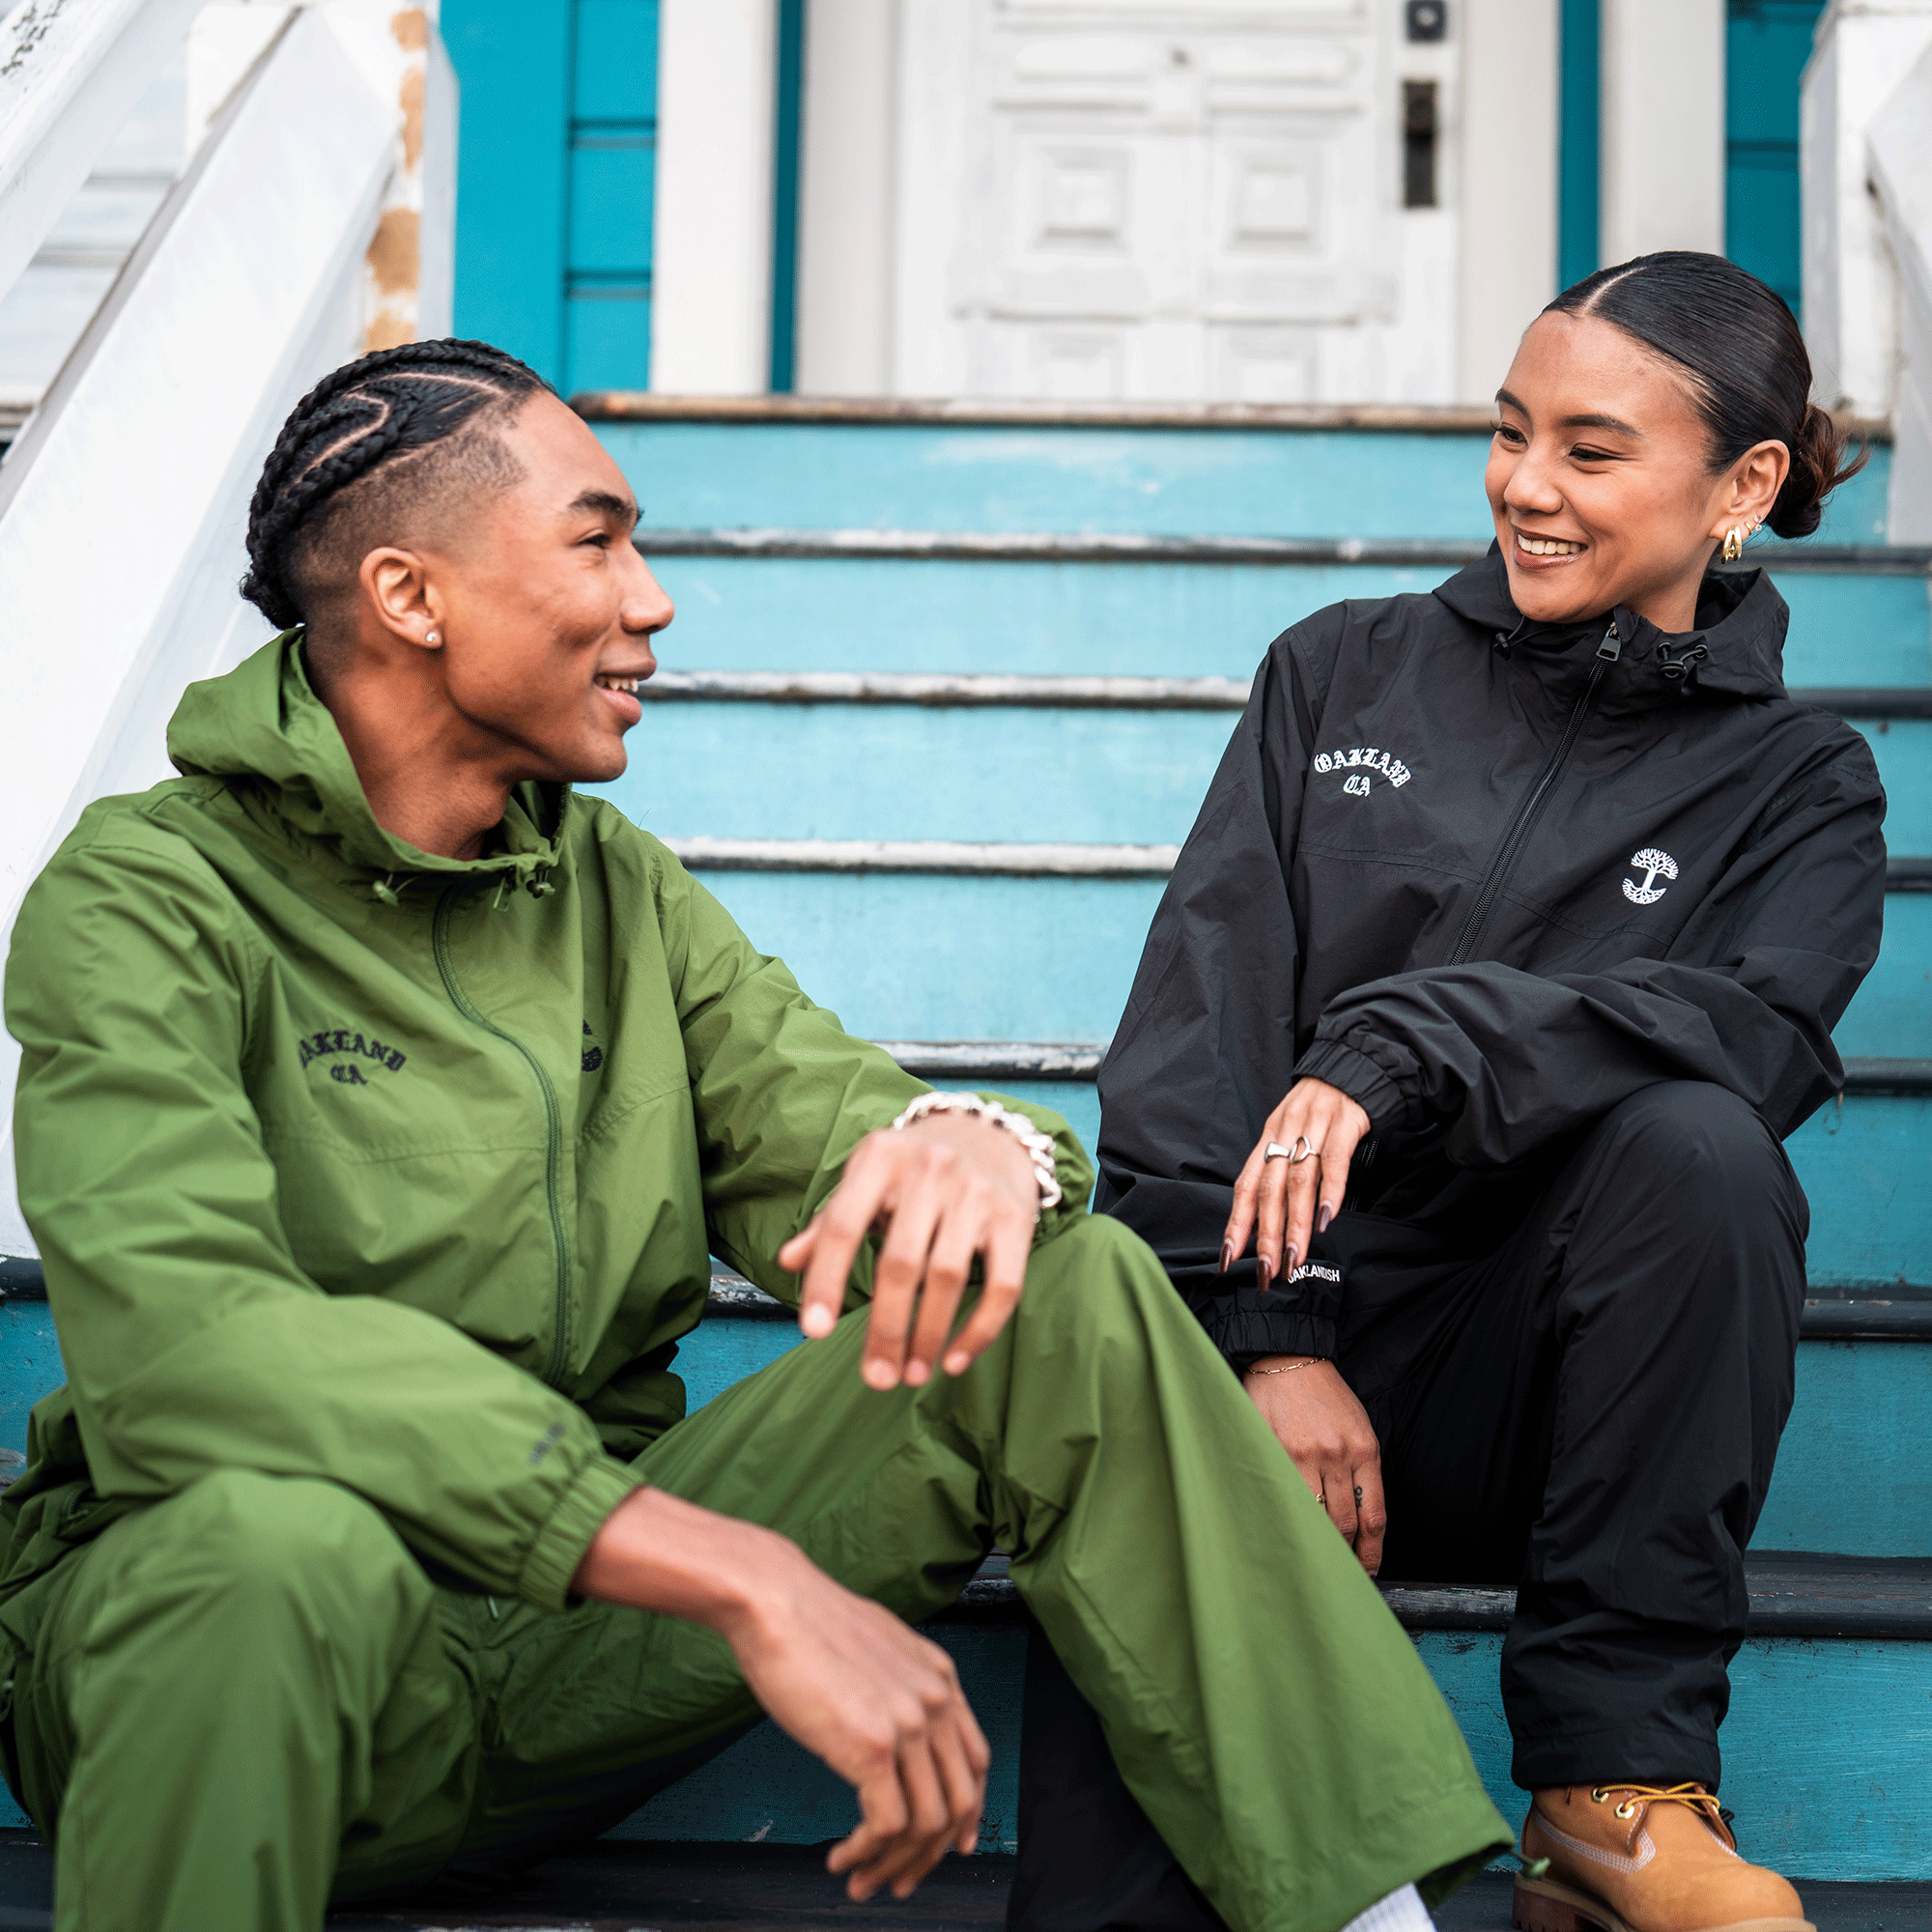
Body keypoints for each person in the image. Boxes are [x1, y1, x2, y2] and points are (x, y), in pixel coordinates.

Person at [0, 339, 1510, 1932]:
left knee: (1062, 1292)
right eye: (597, 540)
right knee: (266, 1543)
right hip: (230, 1663)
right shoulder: (146, 895)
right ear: (409, 595)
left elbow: (842, 1133)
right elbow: (194, 1347)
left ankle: (1366, 1917)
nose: (651, 601)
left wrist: (977, 1141)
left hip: (560, 1657)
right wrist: (731, 1570)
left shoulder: (613, 889)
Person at [1095, 251, 1886, 1932]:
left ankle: (1613, 1791)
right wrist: (1272, 1337)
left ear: (1742, 486)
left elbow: (1755, 1036)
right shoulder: (1341, 671)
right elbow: (1196, 1029)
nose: (1524, 486)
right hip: (1261, 1357)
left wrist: (1421, 1038)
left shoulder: (1801, 784)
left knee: (1703, 1144)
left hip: (1533, 1393)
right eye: (1511, 430)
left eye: (1590, 451)